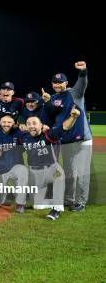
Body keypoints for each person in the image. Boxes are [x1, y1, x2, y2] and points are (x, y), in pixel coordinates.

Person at [41, 62, 92, 212]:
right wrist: (47, 102)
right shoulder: (54, 98)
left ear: (66, 83)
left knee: (82, 172)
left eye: (60, 82)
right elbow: (51, 116)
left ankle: (81, 202)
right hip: (66, 140)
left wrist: (83, 71)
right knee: (70, 172)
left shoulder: (74, 93)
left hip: (82, 139)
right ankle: (69, 200)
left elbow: (83, 83)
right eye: (54, 82)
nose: (57, 84)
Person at [21, 107, 80, 220]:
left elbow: (64, 127)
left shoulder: (48, 134)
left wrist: (73, 117)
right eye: (28, 124)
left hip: (52, 168)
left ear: (41, 125)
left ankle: (56, 209)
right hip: (35, 172)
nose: (31, 125)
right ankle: (58, 201)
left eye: (34, 123)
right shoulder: (23, 138)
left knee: (58, 176)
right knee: (37, 205)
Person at [0, 115, 29, 213]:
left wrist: (27, 128)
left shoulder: (19, 133)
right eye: (4, 122)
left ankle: (20, 203)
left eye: (9, 122)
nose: (6, 124)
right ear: (0, 123)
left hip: (15, 167)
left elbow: (31, 137)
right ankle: (4, 195)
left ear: (14, 123)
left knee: (23, 171)